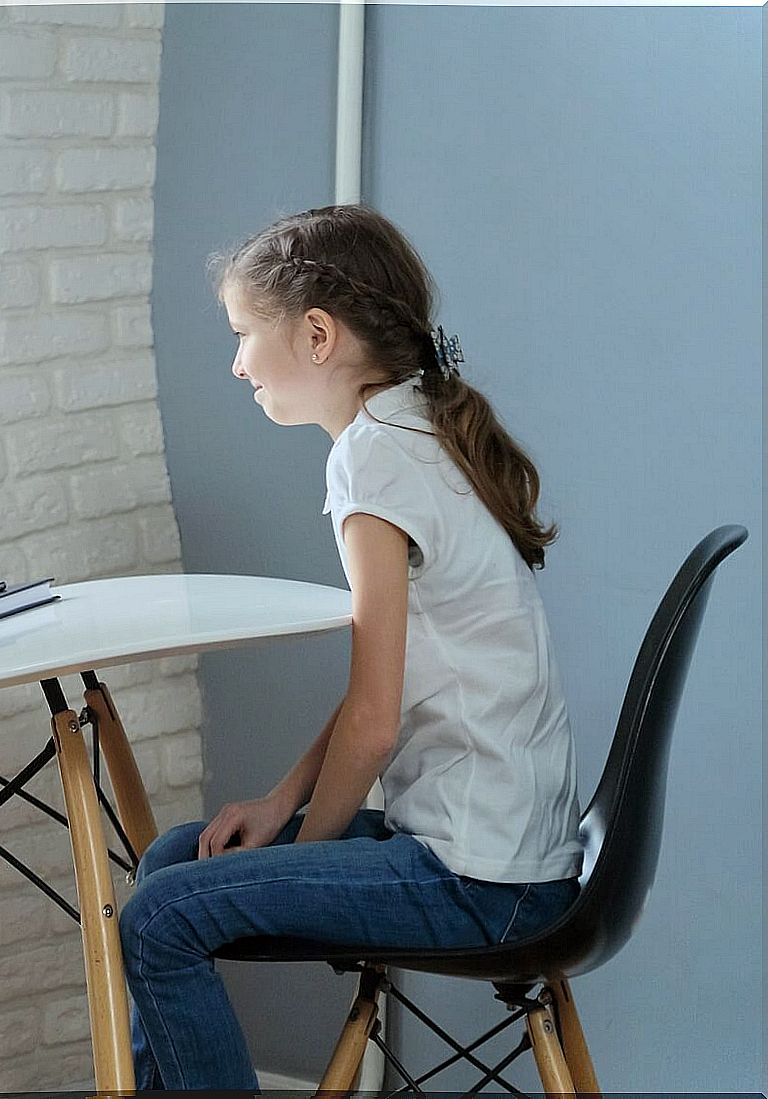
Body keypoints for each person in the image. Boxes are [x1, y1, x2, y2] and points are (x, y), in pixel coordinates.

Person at [119, 204, 583, 1091]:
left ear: (317, 335)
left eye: (245, 333)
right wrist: (281, 802)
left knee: (158, 918)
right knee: (173, 861)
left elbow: (374, 724)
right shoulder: (416, 428)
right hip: (503, 853)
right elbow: (385, 687)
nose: (237, 361)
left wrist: (298, 850)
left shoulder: (372, 462)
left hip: (477, 880)